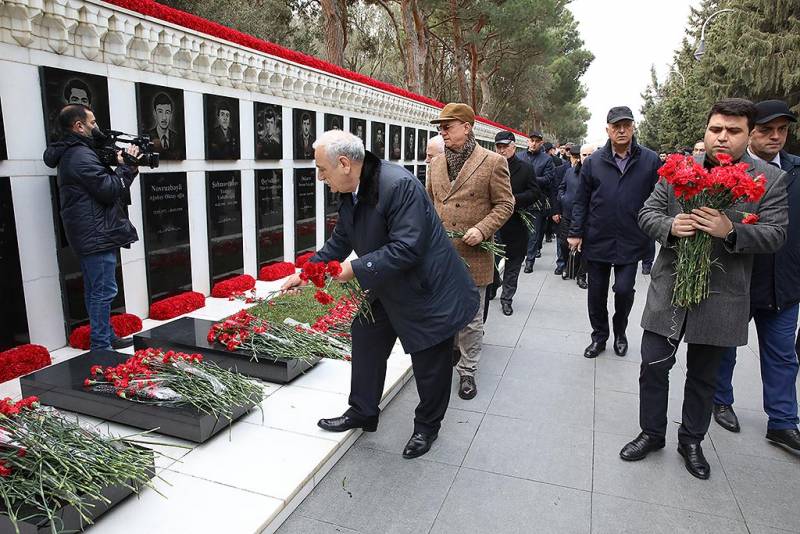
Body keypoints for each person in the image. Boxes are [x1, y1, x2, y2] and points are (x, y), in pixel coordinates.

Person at [281, 130, 479, 459]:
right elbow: (341, 239)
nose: (319, 177)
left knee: (430, 363)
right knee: (366, 335)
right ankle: (363, 410)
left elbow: (408, 247)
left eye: (322, 169)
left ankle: (427, 427)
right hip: (390, 284)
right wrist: (308, 273)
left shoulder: (397, 186)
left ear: (344, 164)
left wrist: (355, 269)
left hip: (427, 289)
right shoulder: (352, 190)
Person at [620, 98, 788, 480]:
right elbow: (647, 213)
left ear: (749, 134)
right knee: (653, 365)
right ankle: (651, 433)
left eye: (733, 131)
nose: (722, 137)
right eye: (716, 129)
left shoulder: (768, 180)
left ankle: (691, 440)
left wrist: (732, 231)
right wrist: (669, 226)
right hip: (670, 289)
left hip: (722, 297)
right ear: (706, 131)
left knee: (703, 376)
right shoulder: (679, 169)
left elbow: (776, 234)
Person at [712, 100, 800, 452]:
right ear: (750, 132)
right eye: (766, 130)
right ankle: (721, 400)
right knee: (726, 346)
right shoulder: (728, 171)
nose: (775, 136)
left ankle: (783, 421)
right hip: (739, 278)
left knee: (782, 355)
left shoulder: (796, 170)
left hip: (784, 283)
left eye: (782, 130)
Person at [426, 103, 514, 400]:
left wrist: (482, 229)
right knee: (443, 312)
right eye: (441, 128)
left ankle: (467, 371)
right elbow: (429, 204)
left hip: (474, 253)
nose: (443, 132)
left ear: (467, 127)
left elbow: (506, 204)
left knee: (471, 319)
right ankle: (450, 352)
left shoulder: (492, 162)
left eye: (447, 126)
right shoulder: (436, 163)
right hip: (441, 255)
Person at [43, 104, 140, 351]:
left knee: (96, 289)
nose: (96, 127)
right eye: (93, 122)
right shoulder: (80, 156)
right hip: (96, 233)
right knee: (103, 291)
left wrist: (121, 164)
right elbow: (109, 190)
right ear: (79, 126)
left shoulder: (77, 152)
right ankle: (101, 346)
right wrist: (126, 168)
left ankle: (105, 336)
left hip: (93, 231)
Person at [568, 106, 660, 359]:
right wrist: (575, 232)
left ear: (633, 127)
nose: (621, 130)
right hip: (598, 237)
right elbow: (581, 201)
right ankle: (599, 336)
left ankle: (620, 332)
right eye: (616, 126)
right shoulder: (593, 162)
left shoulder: (650, 160)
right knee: (596, 294)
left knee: (624, 290)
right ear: (607, 130)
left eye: (626, 125)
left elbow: (659, 199)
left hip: (632, 238)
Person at [493, 131, 541, 315]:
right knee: (491, 261)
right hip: (493, 224)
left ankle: (507, 299)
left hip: (516, 223)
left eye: (505, 146)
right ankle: (493, 286)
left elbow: (535, 193)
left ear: (513, 147)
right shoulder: (489, 165)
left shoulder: (525, 168)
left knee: (513, 263)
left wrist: (515, 199)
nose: (502, 150)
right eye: (499, 147)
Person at [555, 143, 592, 289]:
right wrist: (564, 199)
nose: (587, 158)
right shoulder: (570, 172)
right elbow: (561, 187)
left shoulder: (598, 174)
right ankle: (568, 266)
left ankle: (581, 275)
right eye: (584, 155)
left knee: (585, 248)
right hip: (568, 215)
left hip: (588, 218)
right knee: (564, 243)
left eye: (590, 155)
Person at [517, 130, 555, 272]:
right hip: (519, 201)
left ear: (541, 143)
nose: (533, 143)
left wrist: (529, 178)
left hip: (536, 202)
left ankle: (530, 261)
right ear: (528, 141)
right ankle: (519, 257)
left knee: (533, 233)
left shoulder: (547, 159)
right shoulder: (519, 156)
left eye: (537, 141)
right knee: (519, 232)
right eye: (531, 140)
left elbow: (548, 179)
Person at [148, 92, 183, 160]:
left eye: (167, 112)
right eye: (160, 112)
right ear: (155, 114)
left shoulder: (177, 137)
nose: (164, 117)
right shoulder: (148, 136)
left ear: (171, 115)